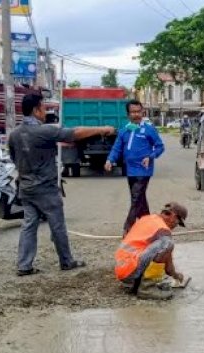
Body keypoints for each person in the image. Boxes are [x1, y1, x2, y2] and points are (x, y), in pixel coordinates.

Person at [10, 93, 115, 276]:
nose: (45, 112)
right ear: (36, 110)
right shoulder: (44, 131)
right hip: (46, 188)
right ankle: (66, 261)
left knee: (29, 224)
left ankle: (24, 265)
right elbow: (74, 134)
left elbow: (14, 159)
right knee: (57, 225)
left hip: (26, 188)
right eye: (43, 108)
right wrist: (102, 129)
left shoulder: (14, 135)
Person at [105, 100, 165, 235]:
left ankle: (128, 227)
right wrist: (110, 159)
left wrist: (151, 156)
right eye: (133, 112)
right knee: (140, 199)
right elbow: (117, 148)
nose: (136, 114)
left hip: (144, 170)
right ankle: (149, 226)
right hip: (130, 170)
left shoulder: (149, 129)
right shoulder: (124, 130)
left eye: (139, 111)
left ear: (142, 112)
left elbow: (160, 146)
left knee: (136, 197)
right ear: (128, 114)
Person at [115, 202, 188, 299]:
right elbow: (168, 268)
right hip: (130, 271)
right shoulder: (163, 230)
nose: (176, 226)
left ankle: (140, 283)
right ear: (173, 216)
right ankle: (147, 288)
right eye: (178, 223)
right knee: (167, 243)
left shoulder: (148, 219)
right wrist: (176, 275)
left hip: (123, 269)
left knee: (163, 245)